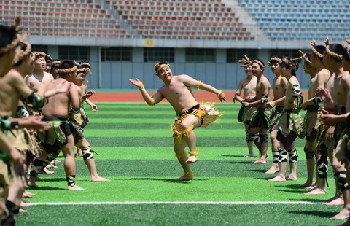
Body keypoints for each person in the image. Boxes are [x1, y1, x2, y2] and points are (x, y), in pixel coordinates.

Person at [129, 61, 225, 180]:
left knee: (185, 125)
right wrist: (142, 88)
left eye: (166, 70)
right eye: (161, 72)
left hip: (196, 111)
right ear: (158, 76)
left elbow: (201, 85)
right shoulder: (163, 90)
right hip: (182, 117)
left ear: (170, 69)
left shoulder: (182, 78)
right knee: (178, 148)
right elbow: (151, 102)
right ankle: (187, 174)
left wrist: (218, 92)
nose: (165, 73)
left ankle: (193, 154)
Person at [316, 41, 350, 219]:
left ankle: (347, 206)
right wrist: (329, 104)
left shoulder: (346, 78)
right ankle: (345, 204)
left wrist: (335, 117)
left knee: (338, 164)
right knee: (338, 165)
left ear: (336, 58)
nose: (324, 58)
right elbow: (339, 106)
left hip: (346, 126)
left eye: (327, 56)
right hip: (339, 126)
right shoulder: (331, 79)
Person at [39, 60, 85, 190]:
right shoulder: (70, 86)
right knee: (69, 153)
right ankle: (72, 184)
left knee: (43, 151)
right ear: (70, 73)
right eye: (75, 72)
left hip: (44, 120)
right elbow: (76, 107)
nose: (76, 74)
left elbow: (40, 101)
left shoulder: (49, 83)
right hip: (60, 122)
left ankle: (31, 178)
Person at [268, 57, 304, 182]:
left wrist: (292, 102)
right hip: (290, 114)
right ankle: (293, 173)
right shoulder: (291, 79)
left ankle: (281, 174)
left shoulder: (292, 81)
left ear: (289, 69)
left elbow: (297, 93)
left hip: (289, 115)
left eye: (283, 67)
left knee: (282, 144)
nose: (280, 69)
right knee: (291, 146)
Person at [242, 59, 271, 164]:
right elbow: (259, 97)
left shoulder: (264, 81)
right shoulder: (258, 80)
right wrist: (252, 99)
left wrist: (250, 104)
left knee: (262, 134)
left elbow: (264, 99)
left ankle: (262, 157)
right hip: (259, 110)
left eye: (255, 67)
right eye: (252, 67)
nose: (253, 69)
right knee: (251, 133)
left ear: (262, 69)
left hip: (264, 111)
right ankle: (263, 153)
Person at [265, 56, 288, 174]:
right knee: (274, 137)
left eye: (276, 64)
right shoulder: (274, 79)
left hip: (285, 111)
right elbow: (277, 96)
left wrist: (275, 102)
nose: (273, 67)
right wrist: (272, 105)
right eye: (272, 65)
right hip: (277, 110)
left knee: (275, 137)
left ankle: (276, 165)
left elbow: (290, 94)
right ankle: (276, 164)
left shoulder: (284, 79)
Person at [234, 55, 258, 157]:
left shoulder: (259, 80)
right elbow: (236, 95)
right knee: (248, 131)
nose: (247, 69)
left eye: (249, 67)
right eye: (245, 68)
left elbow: (264, 94)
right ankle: (251, 152)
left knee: (257, 131)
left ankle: (262, 152)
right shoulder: (242, 81)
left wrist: (253, 100)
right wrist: (242, 101)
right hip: (246, 108)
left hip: (256, 107)